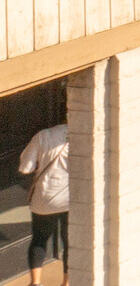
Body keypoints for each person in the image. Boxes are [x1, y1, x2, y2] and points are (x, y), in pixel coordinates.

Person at [18, 121, 67, 286]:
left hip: (45, 199)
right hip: (71, 199)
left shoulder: (43, 136)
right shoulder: (84, 136)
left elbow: (26, 167)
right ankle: (66, 283)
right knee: (69, 243)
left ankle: (36, 283)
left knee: (39, 240)